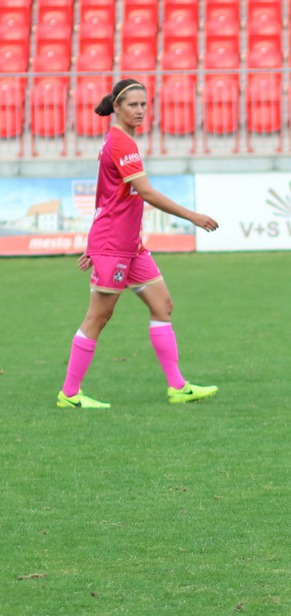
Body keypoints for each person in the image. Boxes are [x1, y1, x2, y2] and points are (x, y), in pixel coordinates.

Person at [56, 78, 219, 409]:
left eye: (144, 104)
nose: (140, 110)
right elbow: (144, 192)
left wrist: (94, 240)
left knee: (163, 305)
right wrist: (192, 216)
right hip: (114, 244)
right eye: (133, 104)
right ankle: (69, 394)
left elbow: (106, 197)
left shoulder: (120, 139)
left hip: (129, 245)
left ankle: (178, 387)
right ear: (116, 107)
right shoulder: (121, 142)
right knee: (98, 317)